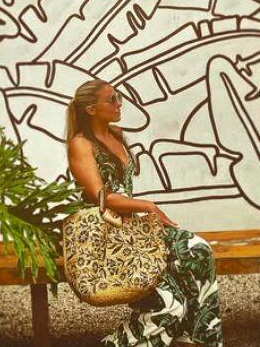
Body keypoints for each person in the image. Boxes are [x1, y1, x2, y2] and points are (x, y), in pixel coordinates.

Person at [66, 78, 223, 347]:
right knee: (170, 306)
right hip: (108, 234)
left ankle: (200, 338)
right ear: (91, 109)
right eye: (112, 99)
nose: (119, 103)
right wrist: (148, 206)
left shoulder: (116, 134)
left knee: (198, 249)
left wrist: (143, 212)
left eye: (119, 96)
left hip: (135, 227)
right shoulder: (81, 144)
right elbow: (99, 196)